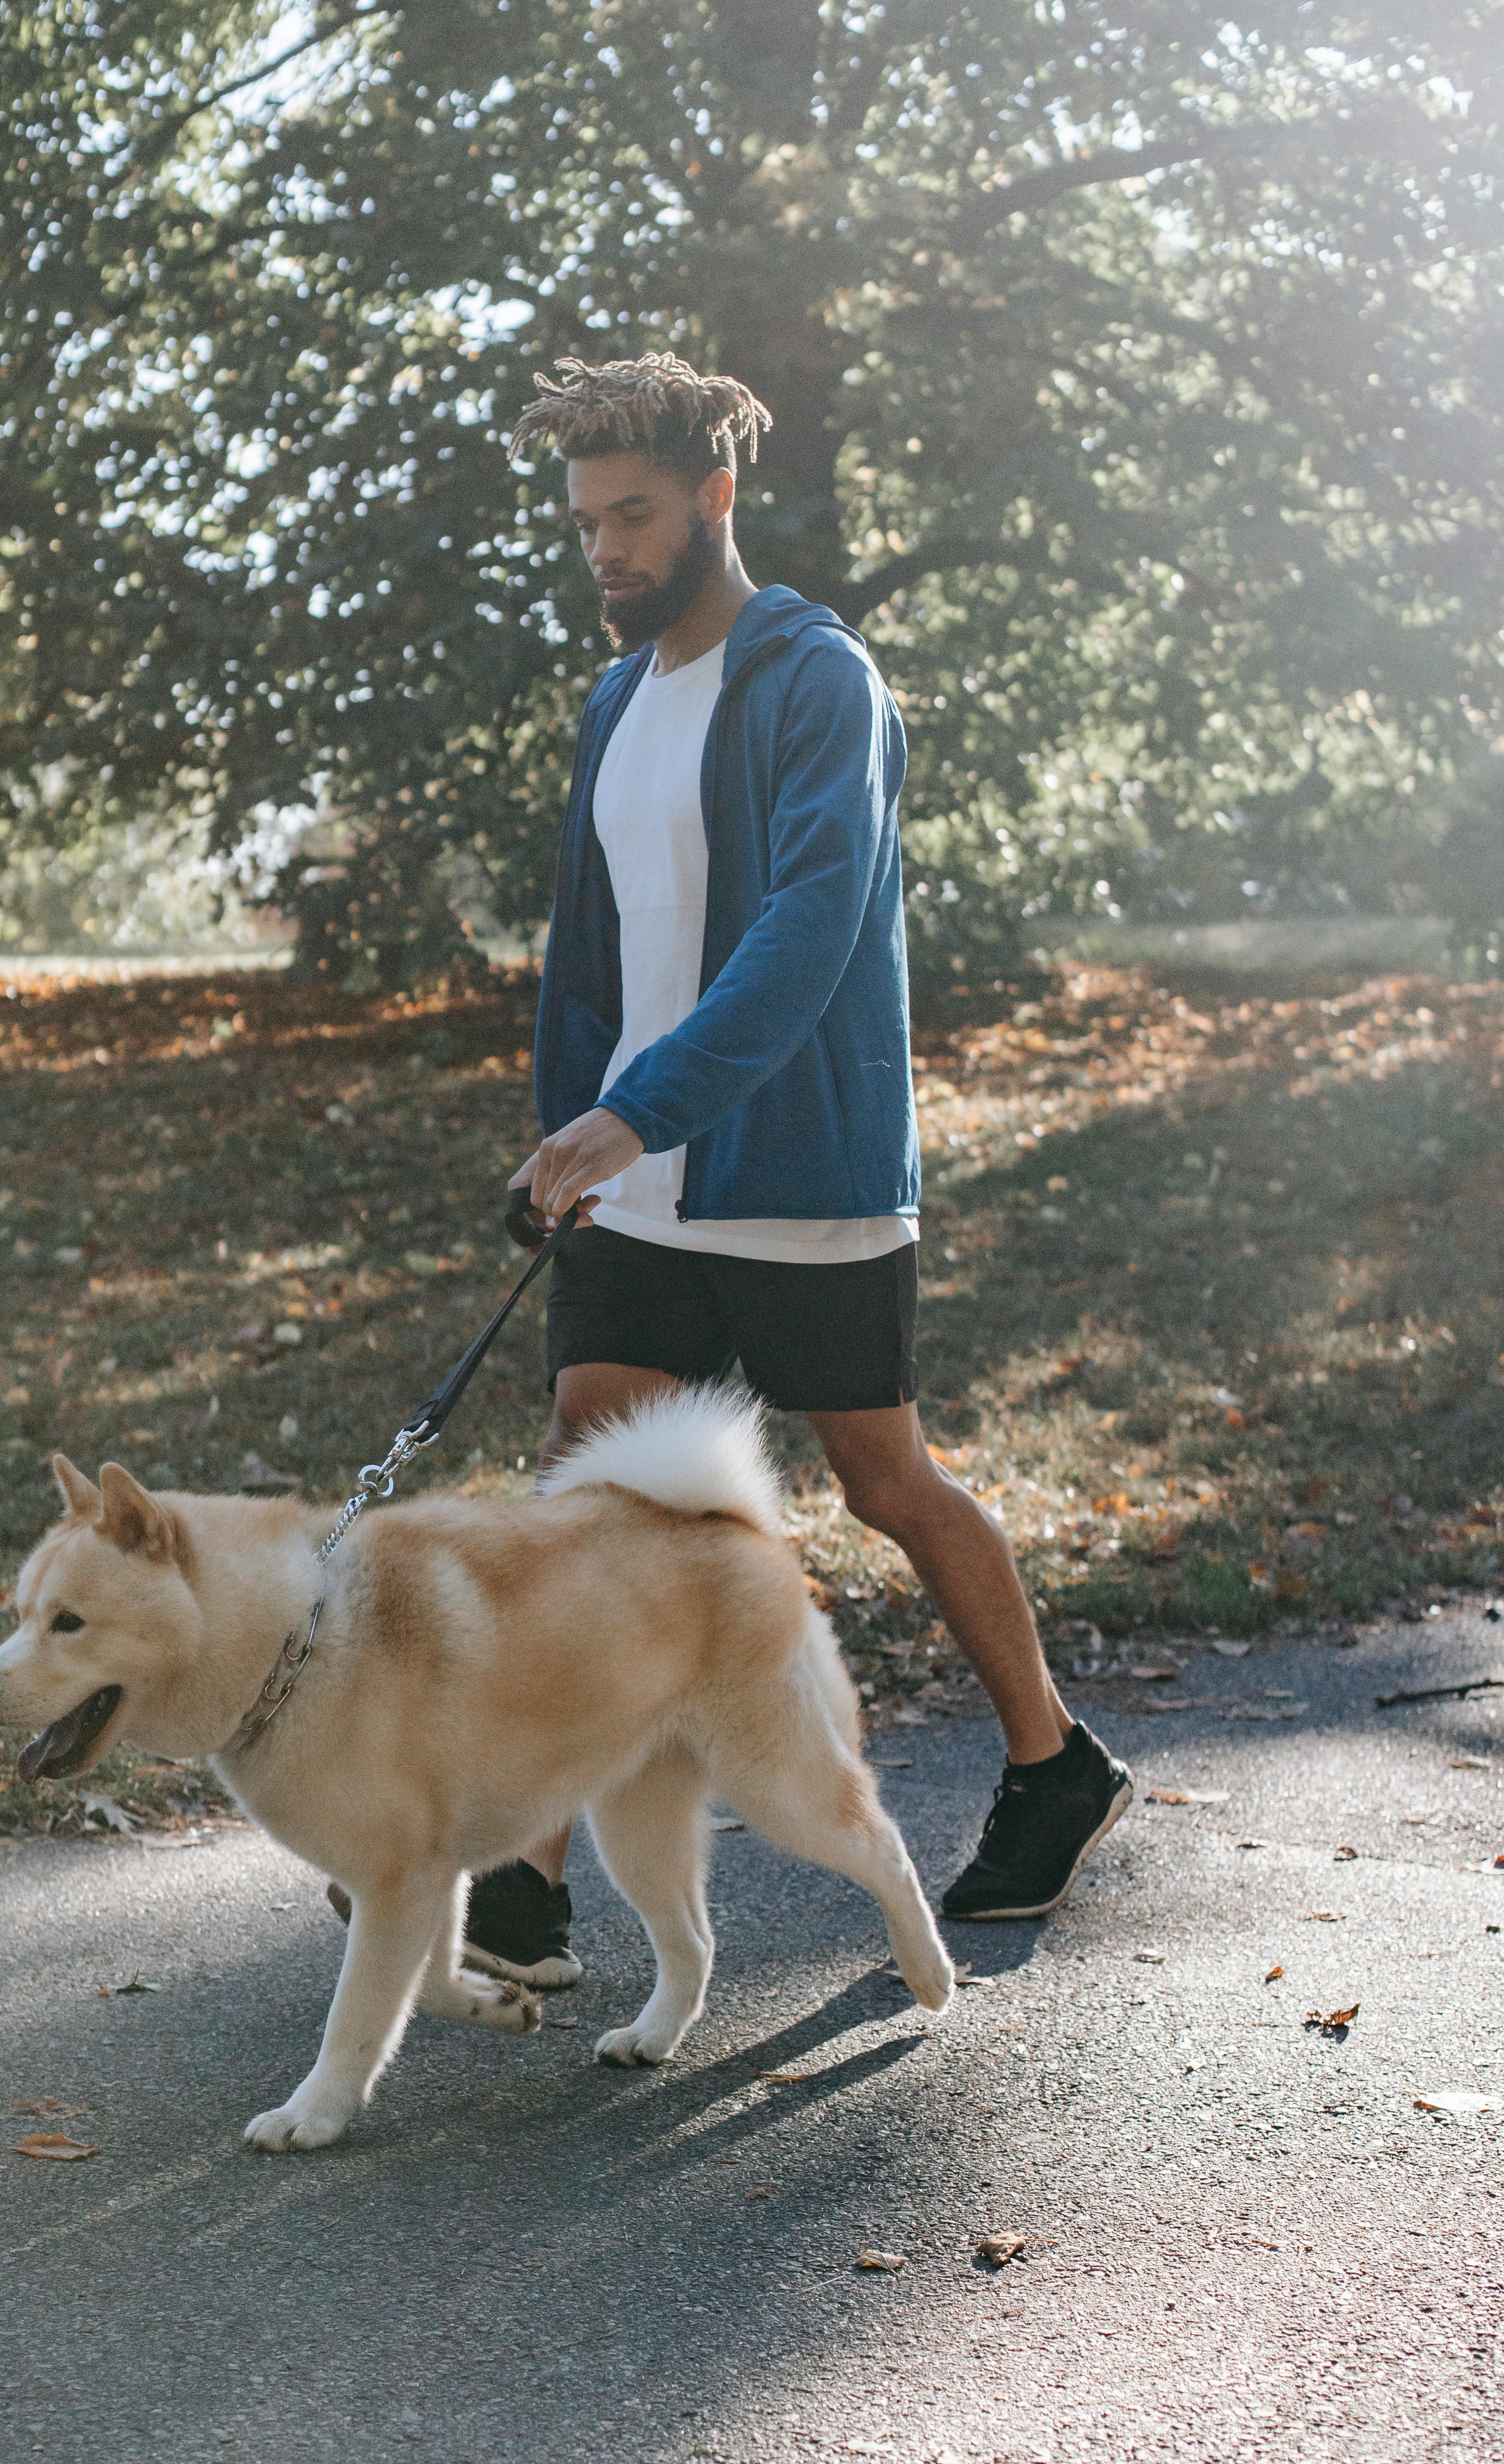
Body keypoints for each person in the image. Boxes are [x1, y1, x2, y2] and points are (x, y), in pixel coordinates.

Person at [455, 350, 1133, 1990]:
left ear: (717, 499)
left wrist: (645, 1106)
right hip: (637, 1169)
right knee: (581, 1484)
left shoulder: (823, 681)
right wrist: (575, 1134)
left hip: (801, 1158)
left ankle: (1056, 1766)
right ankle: (524, 1881)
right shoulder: (617, 702)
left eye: (633, 517)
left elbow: (810, 932)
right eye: (585, 524)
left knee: (882, 1477)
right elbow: (592, 958)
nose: (606, 551)